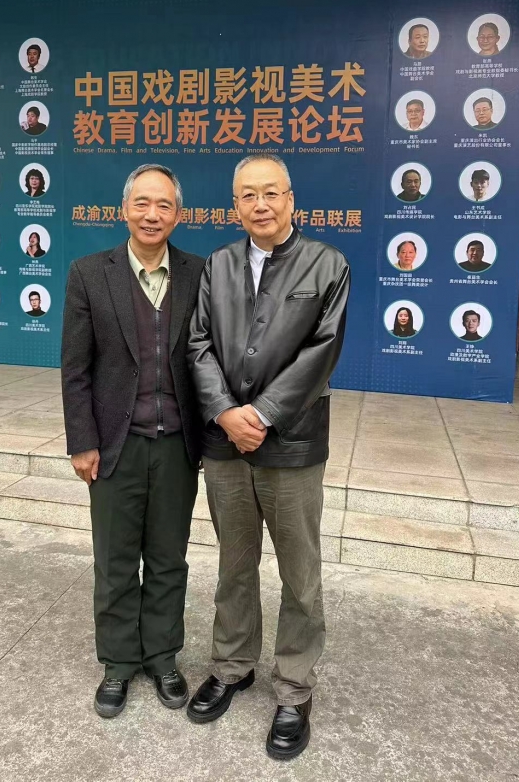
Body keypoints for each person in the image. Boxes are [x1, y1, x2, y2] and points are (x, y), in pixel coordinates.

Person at [187, 152, 350, 761]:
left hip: (293, 441)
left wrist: (261, 415)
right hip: (225, 443)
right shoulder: (218, 265)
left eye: (271, 193)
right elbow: (198, 344)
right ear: (235, 206)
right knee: (234, 563)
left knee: (299, 572)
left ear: (290, 199)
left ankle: (295, 686)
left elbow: (321, 351)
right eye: (248, 195)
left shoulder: (327, 264)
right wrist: (226, 412)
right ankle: (232, 666)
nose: (261, 204)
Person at [61, 164, 205, 721]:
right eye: (142, 203)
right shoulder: (89, 274)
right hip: (114, 446)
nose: (152, 214)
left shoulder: (198, 273)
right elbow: (76, 368)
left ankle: (163, 657)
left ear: (178, 214)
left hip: (177, 445)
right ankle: (119, 662)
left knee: (169, 558)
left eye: (164, 205)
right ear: (124, 209)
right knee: (115, 561)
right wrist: (82, 441)